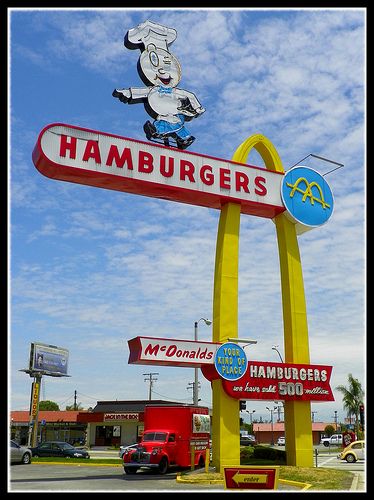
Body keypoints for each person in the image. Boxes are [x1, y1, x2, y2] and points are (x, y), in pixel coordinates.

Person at [113, 20, 205, 149]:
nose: (162, 71)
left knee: (167, 124)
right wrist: (127, 93)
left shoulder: (177, 92)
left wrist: (197, 108)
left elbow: (190, 97)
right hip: (164, 115)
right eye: (156, 66)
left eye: (167, 66)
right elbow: (142, 93)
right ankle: (182, 138)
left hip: (174, 115)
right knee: (170, 125)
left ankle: (165, 134)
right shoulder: (154, 90)